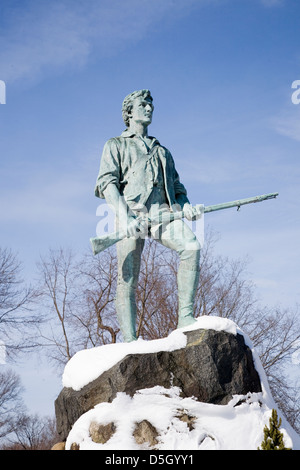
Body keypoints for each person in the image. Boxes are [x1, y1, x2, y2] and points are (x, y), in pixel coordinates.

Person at [94, 90, 202, 342]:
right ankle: (130, 341)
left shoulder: (163, 151)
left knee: (191, 247)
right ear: (129, 112)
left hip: (162, 213)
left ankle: (185, 317)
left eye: (151, 105)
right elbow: (107, 184)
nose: (149, 108)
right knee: (128, 278)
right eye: (143, 105)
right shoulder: (116, 145)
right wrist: (126, 218)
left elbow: (177, 189)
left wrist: (185, 205)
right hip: (130, 214)